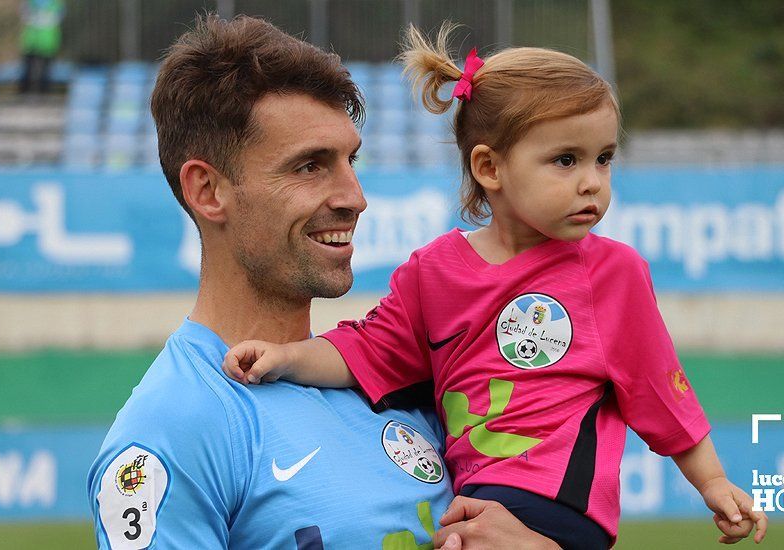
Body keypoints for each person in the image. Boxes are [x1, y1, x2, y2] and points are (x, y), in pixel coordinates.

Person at [223, 23, 769, 549]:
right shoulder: (431, 271)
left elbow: (655, 385)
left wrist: (713, 483)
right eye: (565, 160)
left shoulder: (613, 271)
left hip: (560, 506)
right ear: (489, 167)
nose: (592, 182)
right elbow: (370, 351)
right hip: (472, 501)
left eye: (604, 159)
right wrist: (286, 356)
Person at [86, 15, 555, 550]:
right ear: (208, 191)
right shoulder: (174, 429)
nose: (354, 196)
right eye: (310, 166)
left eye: (349, 160)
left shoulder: (402, 375)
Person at [18, 0, 65, 94]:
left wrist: (38, 18)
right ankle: (25, 94)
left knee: (46, 72)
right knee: (27, 70)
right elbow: (24, 16)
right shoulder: (29, 2)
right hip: (31, 42)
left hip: (48, 42)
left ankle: (43, 94)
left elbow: (57, 18)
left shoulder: (56, 3)